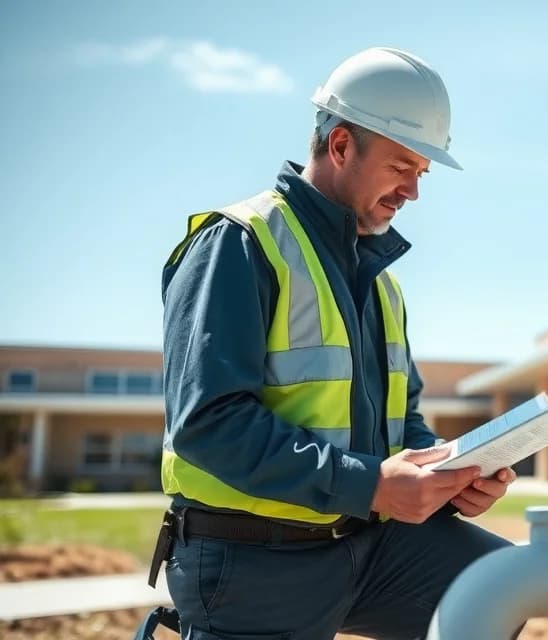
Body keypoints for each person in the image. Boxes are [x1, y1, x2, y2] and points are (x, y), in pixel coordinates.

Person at [145, 47, 516, 640]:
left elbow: (404, 421)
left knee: (504, 589)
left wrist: (447, 475)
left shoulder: (383, 284)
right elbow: (208, 424)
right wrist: (371, 485)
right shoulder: (240, 243)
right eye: (401, 167)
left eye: (422, 172)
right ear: (341, 146)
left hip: (370, 548)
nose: (414, 192)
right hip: (253, 561)